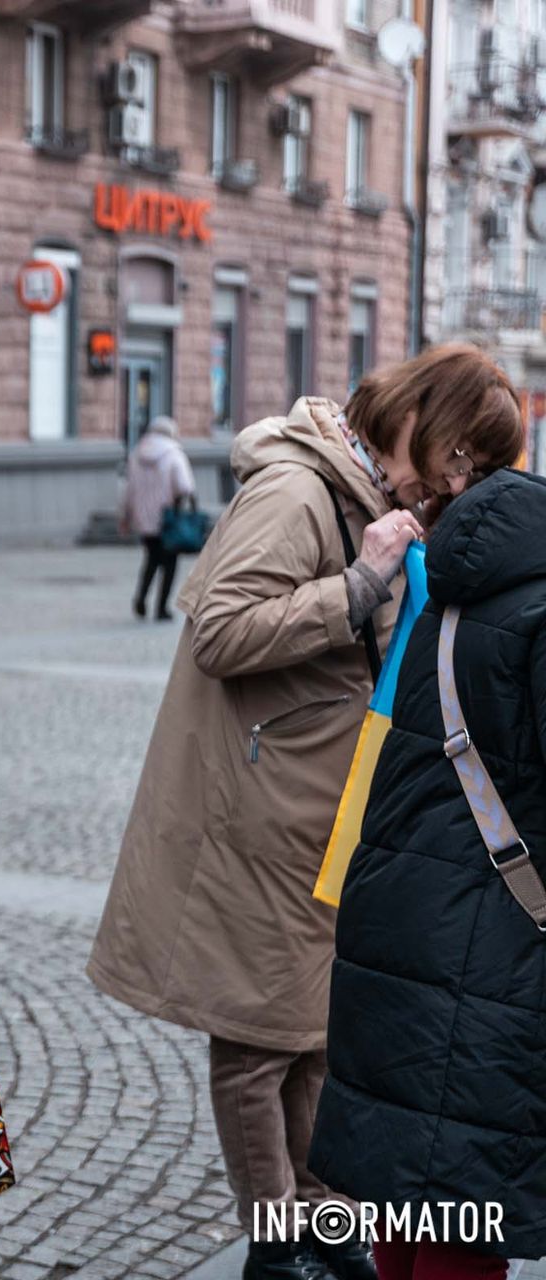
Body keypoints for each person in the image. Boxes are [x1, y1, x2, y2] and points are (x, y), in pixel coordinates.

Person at [87, 344, 525, 1280]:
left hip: (311, 813)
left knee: (315, 1035)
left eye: (475, 472)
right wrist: (358, 586)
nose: (456, 484)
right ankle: (280, 1248)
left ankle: (321, 1236)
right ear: (419, 423)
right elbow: (217, 629)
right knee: (256, 1041)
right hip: (252, 815)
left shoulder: (367, 493)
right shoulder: (297, 490)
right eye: (456, 461)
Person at [308, 399, 534, 1275]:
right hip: (492, 954)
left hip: (402, 929)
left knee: (409, 1204)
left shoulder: (445, 597)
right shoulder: (521, 603)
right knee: (461, 1215)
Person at [119, 414, 196, 621]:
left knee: (151, 560)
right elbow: (185, 486)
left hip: (143, 520)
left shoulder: (136, 453)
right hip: (168, 520)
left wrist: (126, 516)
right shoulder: (174, 454)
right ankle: (161, 608)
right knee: (169, 564)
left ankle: (140, 598)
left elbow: (129, 490)